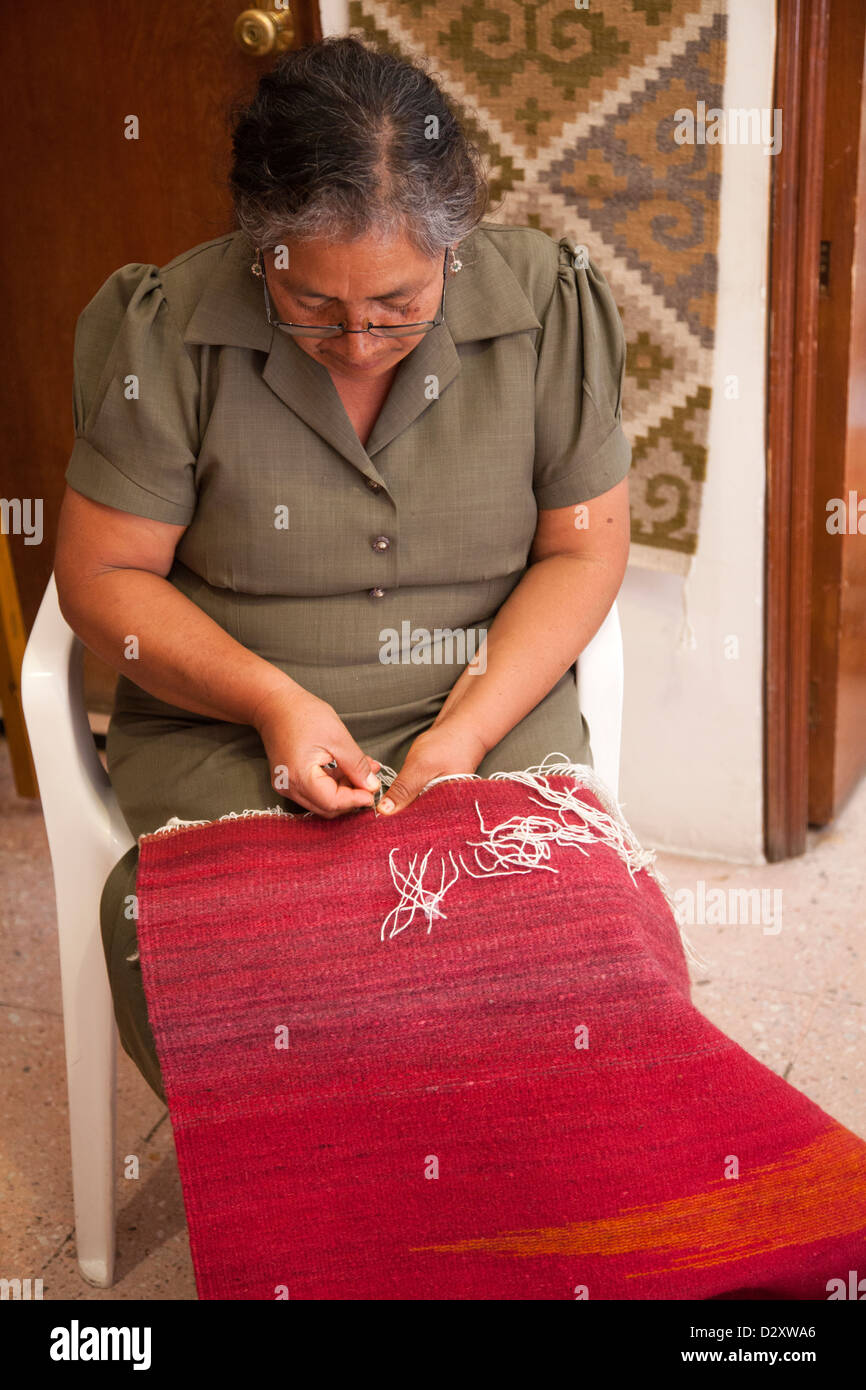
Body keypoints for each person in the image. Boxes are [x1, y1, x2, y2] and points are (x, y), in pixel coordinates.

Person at [54, 35, 632, 1102]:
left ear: (451, 247)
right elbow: (103, 578)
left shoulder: (547, 309)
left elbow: (583, 545)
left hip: (485, 701)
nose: (360, 342)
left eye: (397, 304)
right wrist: (273, 703)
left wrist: (461, 733)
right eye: (312, 304)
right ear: (257, 243)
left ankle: (519, 1224)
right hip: (227, 721)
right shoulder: (169, 328)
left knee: (582, 962)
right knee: (269, 985)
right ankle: (340, 1235)